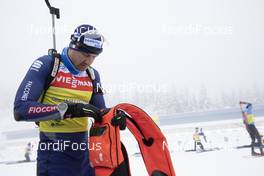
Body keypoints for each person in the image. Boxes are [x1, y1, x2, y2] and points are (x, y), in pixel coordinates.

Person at [14, 24, 126, 176]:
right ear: (74, 46)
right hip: (54, 154)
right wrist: (68, 109)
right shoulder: (47, 65)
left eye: (94, 56)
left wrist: (114, 116)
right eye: (86, 54)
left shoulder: (93, 75)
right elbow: (20, 109)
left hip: (85, 155)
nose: (89, 61)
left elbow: (100, 113)